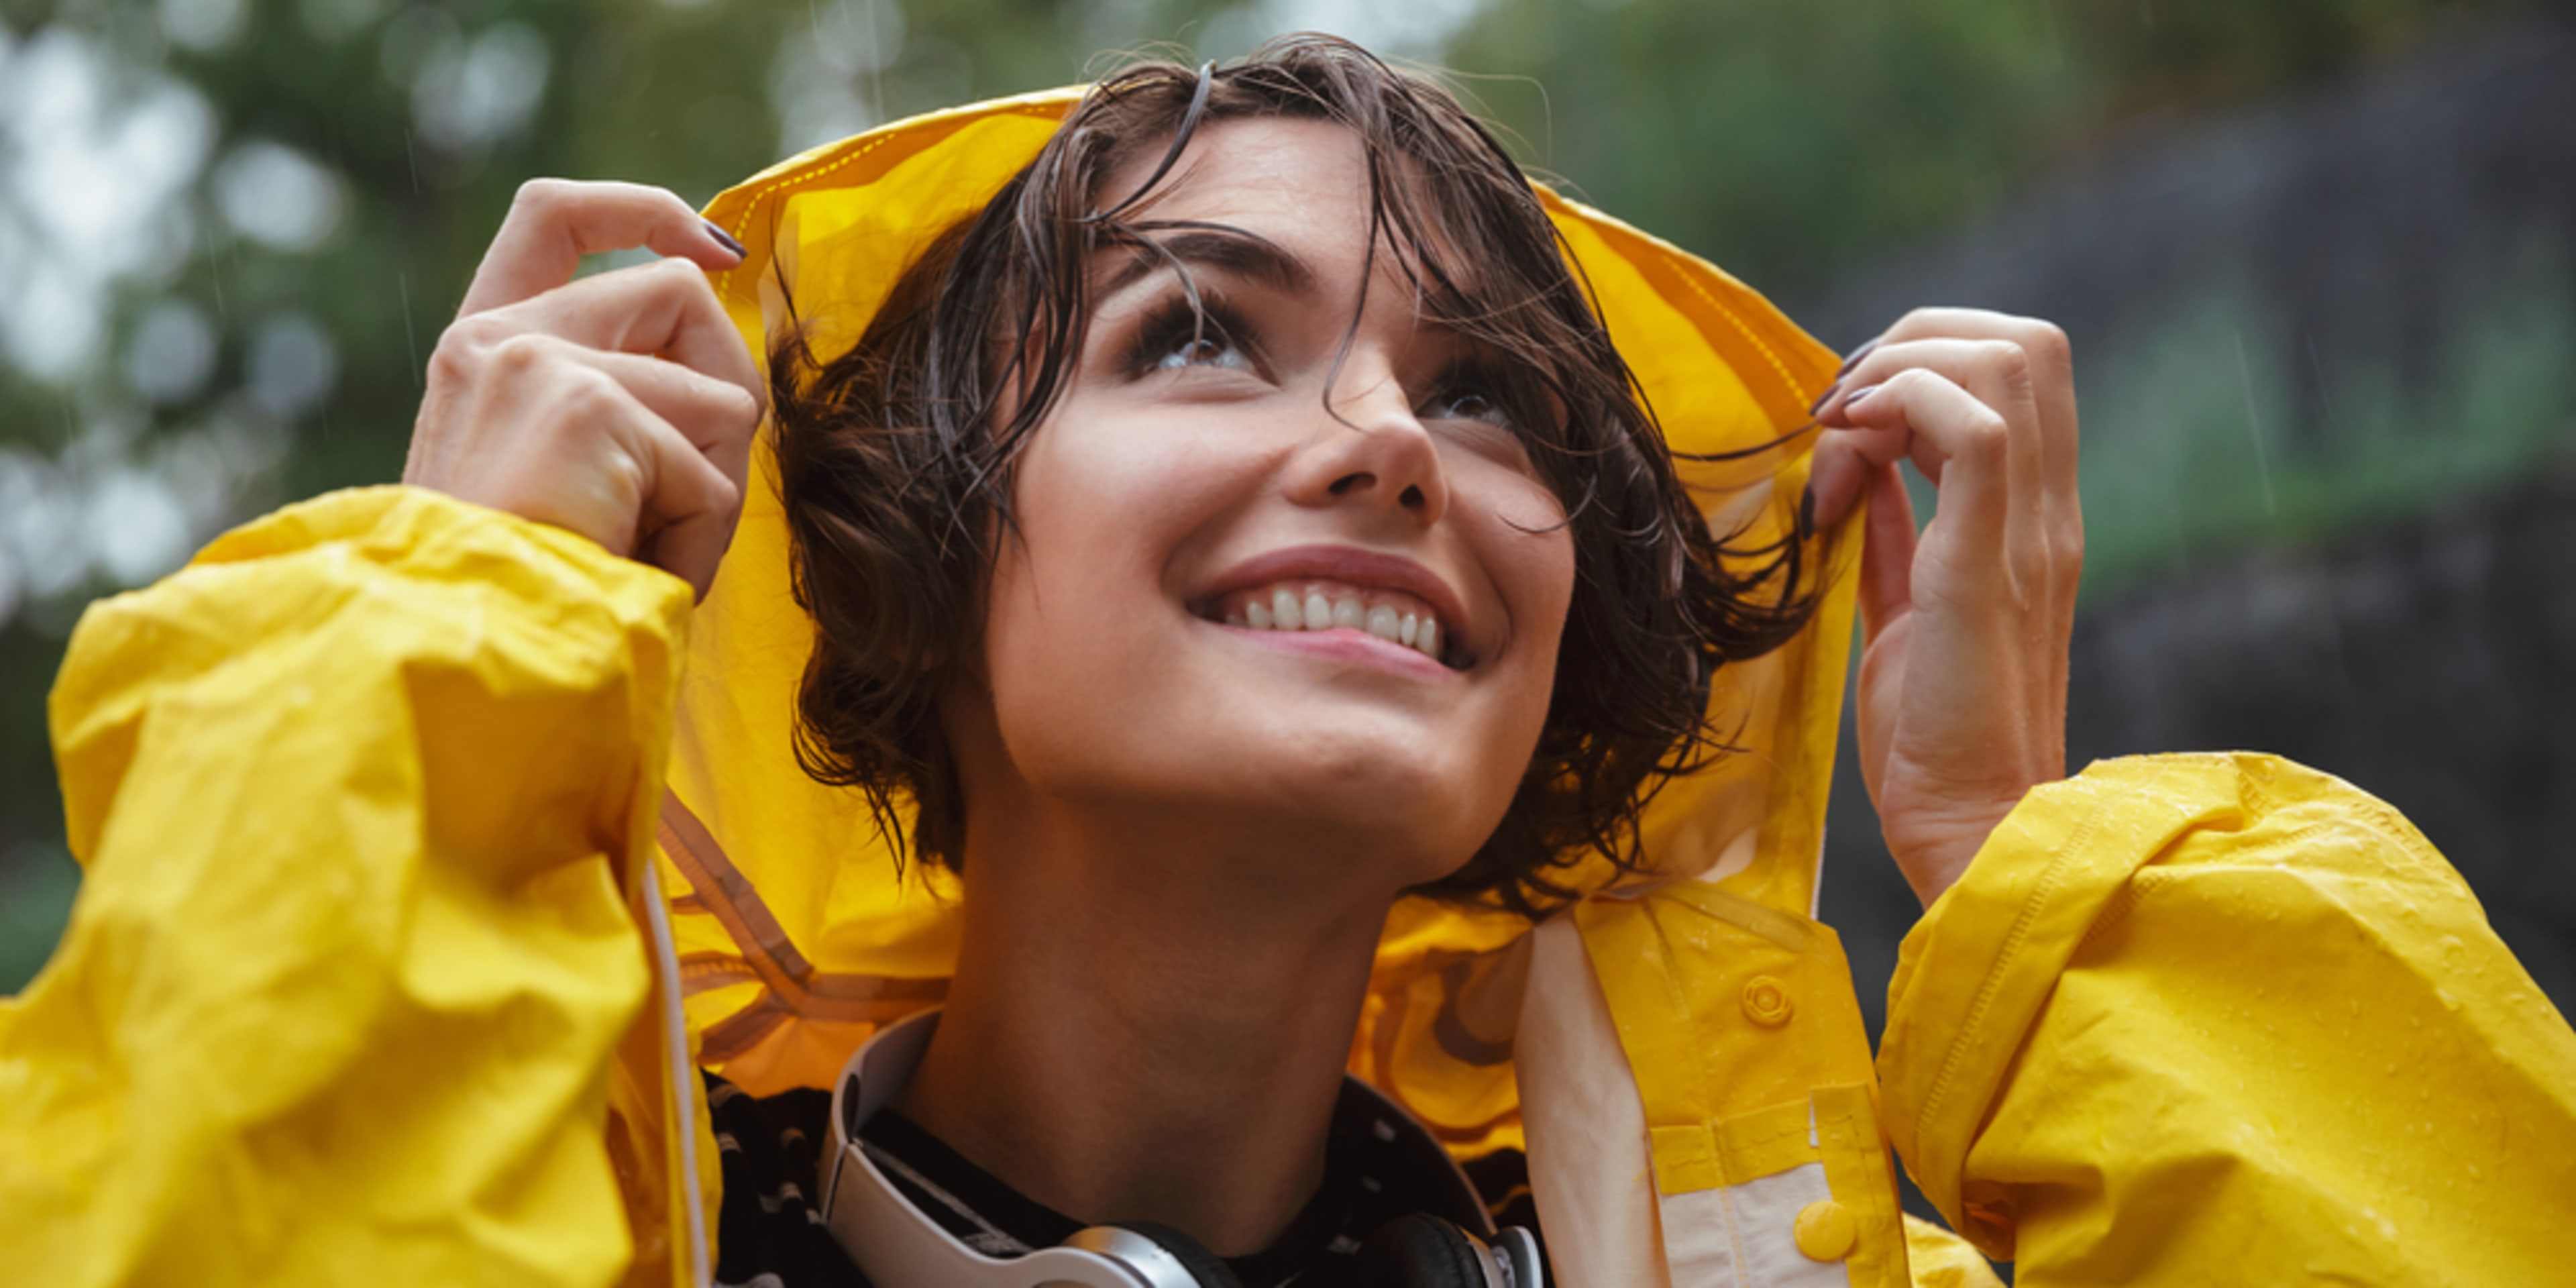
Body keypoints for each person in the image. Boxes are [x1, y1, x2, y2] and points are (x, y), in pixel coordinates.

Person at [6, 34, 2573, 1288]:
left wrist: (2023, 858)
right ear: (914, 547)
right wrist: (437, 651)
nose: (1391, 448)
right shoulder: (580, 1221)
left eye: (1493, 399)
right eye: (1200, 336)